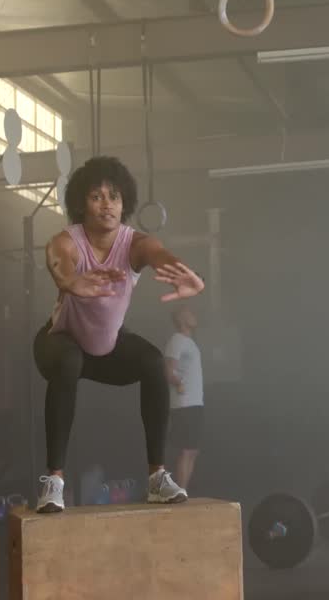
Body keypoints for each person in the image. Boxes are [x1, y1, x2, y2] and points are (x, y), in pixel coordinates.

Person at [34, 156, 205, 513]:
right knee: (68, 359)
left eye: (114, 196)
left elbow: (156, 253)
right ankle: (54, 481)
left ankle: (158, 477)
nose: (106, 203)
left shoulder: (133, 243)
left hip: (106, 350)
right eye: (96, 196)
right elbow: (57, 257)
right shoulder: (68, 240)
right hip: (59, 342)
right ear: (82, 203)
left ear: (124, 202)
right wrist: (70, 280)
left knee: (154, 362)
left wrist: (178, 271)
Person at [165, 306, 204, 492]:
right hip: (184, 404)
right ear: (181, 319)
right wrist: (179, 382)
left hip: (195, 402)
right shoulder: (177, 340)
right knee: (186, 449)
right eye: (189, 312)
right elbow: (168, 370)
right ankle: (180, 491)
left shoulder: (190, 342)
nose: (193, 315)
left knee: (193, 450)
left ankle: (184, 489)